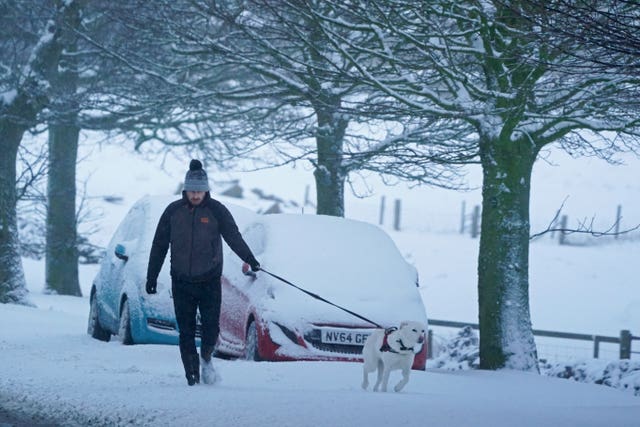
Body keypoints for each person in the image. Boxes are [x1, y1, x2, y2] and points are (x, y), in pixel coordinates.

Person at [145, 159, 261, 386]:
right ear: (185, 190)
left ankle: (206, 357)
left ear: (206, 190)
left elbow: (233, 237)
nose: (196, 195)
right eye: (192, 191)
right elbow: (159, 245)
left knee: (211, 330)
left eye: (200, 191)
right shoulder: (173, 212)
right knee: (186, 332)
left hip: (209, 280)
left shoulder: (216, 211)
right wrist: (152, 276)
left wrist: (250, 259)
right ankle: (192, 377)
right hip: (181, 281)